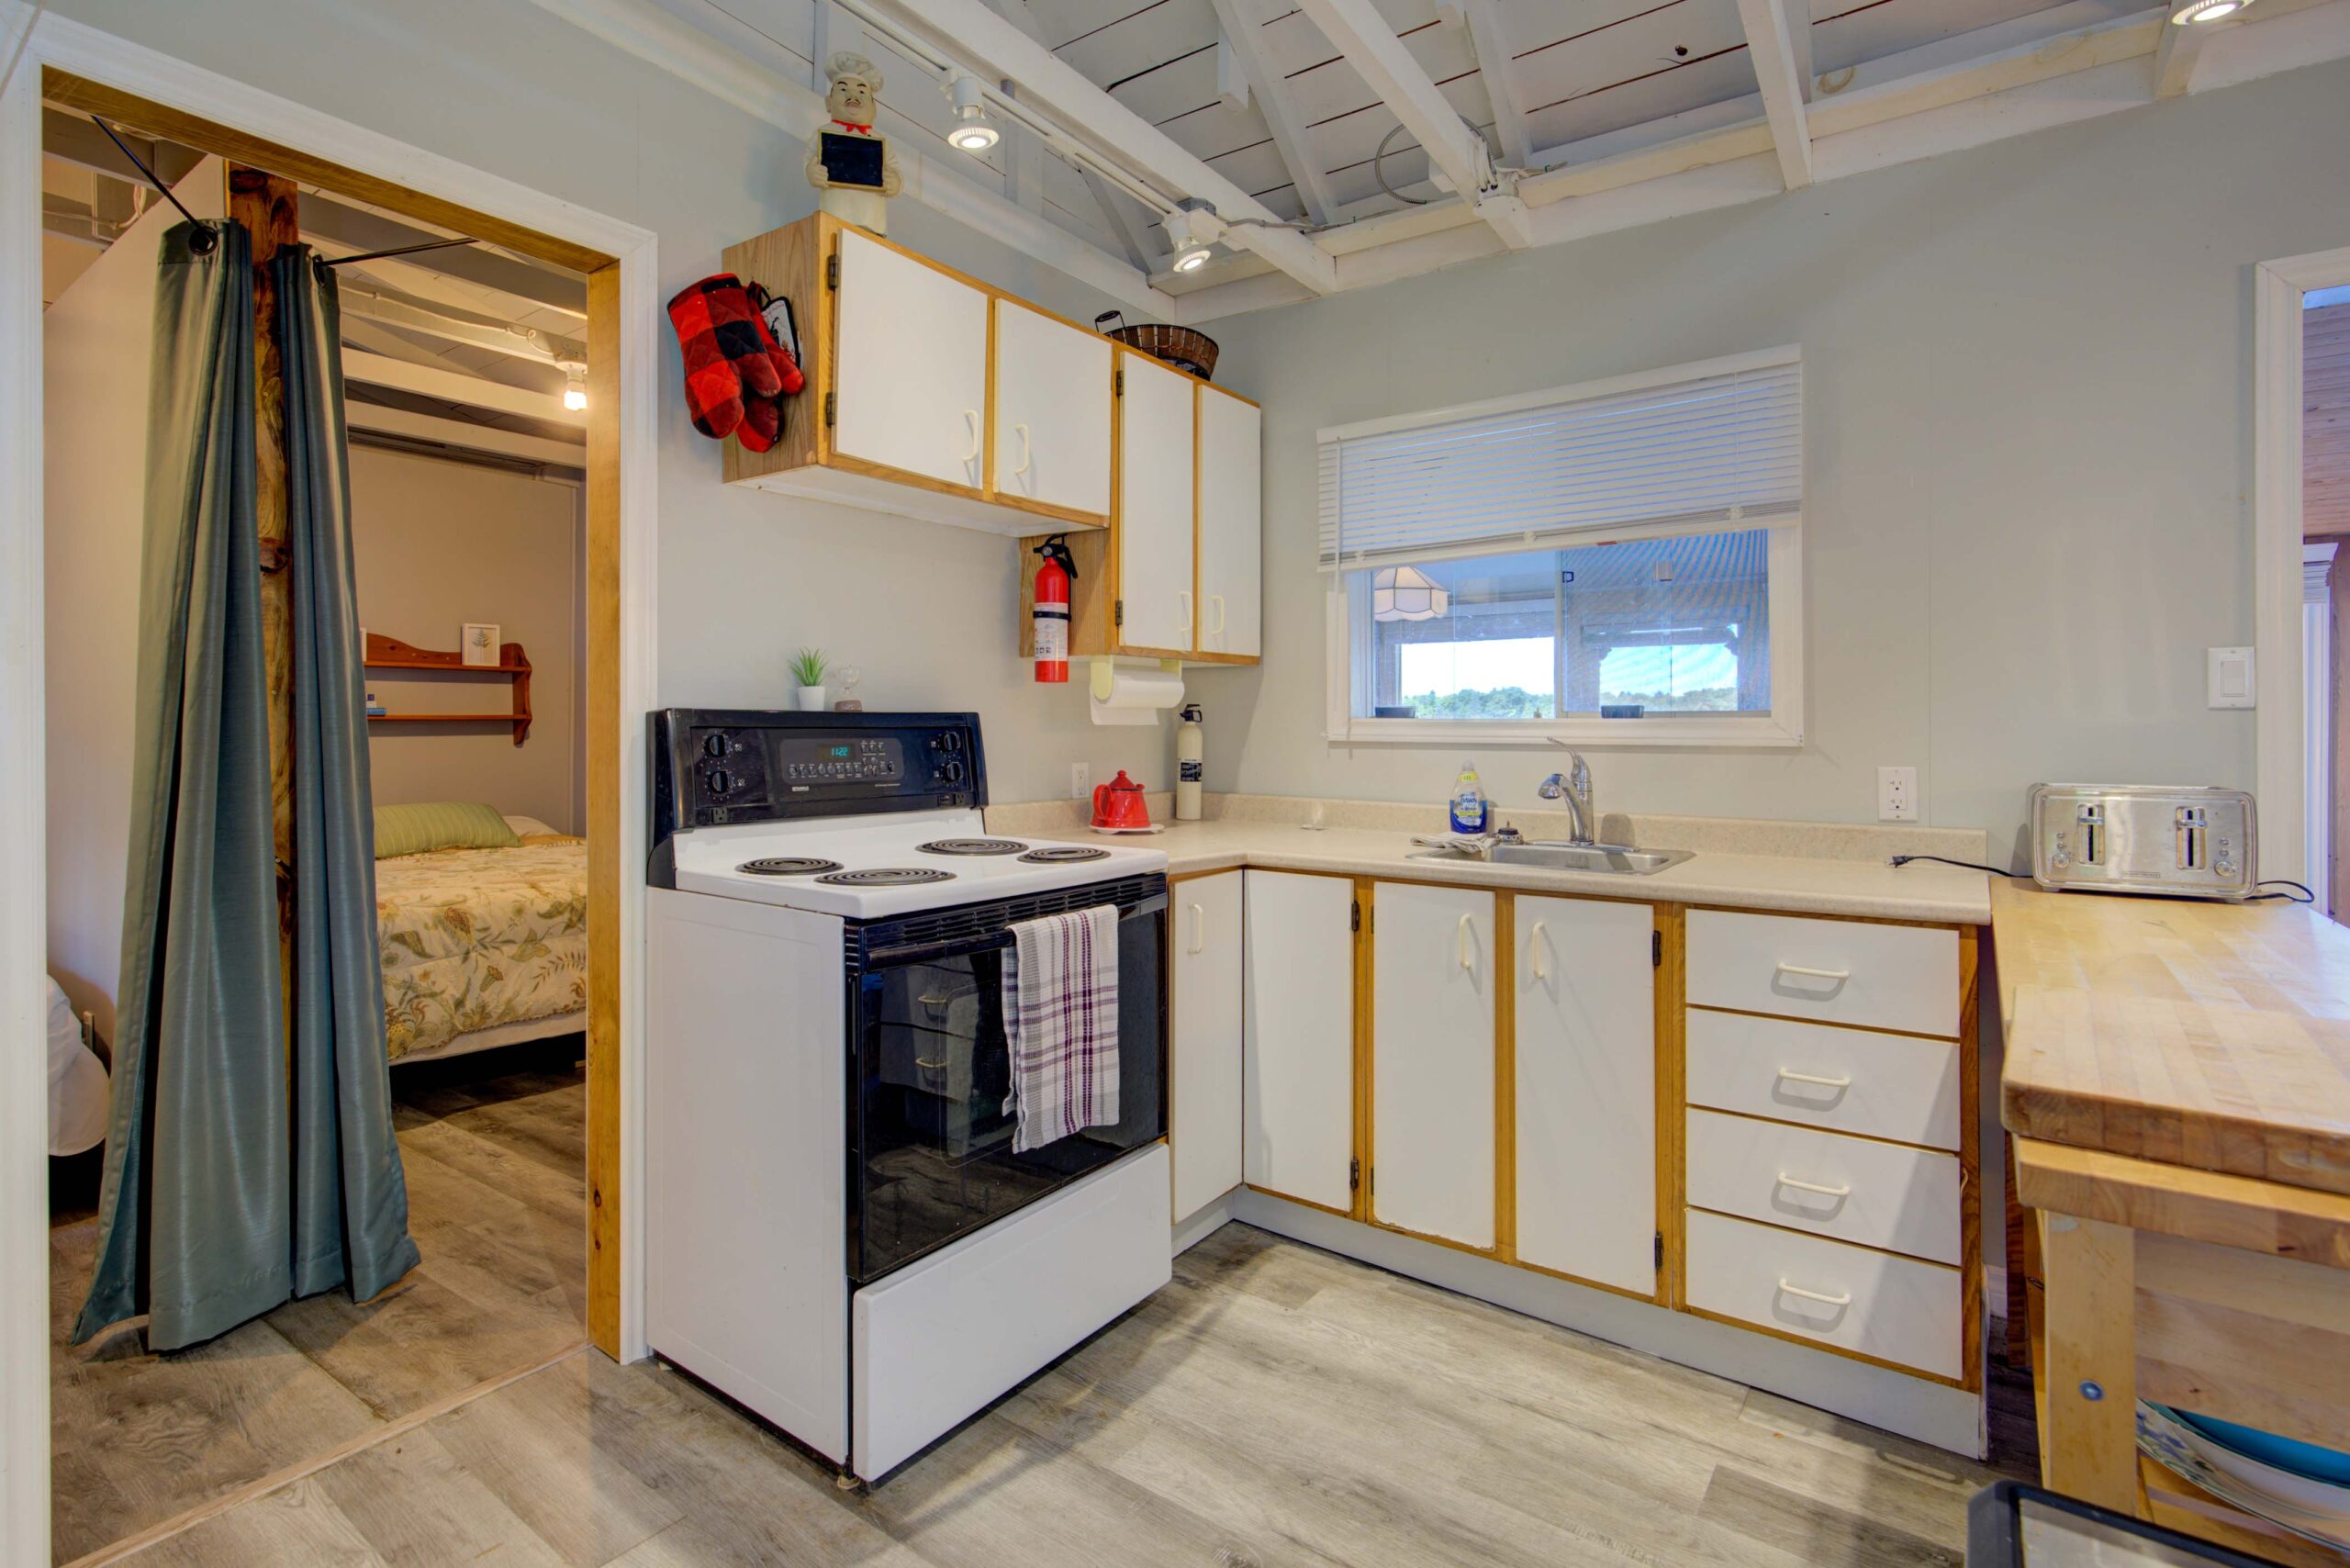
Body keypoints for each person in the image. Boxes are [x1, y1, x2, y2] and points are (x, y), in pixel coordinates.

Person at [805, 53, 902, 235]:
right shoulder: (824, 133)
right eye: (843, 90)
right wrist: (812, 172)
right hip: (835, 211)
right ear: (829, 103)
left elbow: (894, 168)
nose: (853, 95)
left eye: (862, 92)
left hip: (871, 218)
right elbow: (810, 160)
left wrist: (895, 182)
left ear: (874, 108)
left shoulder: (879, 140)